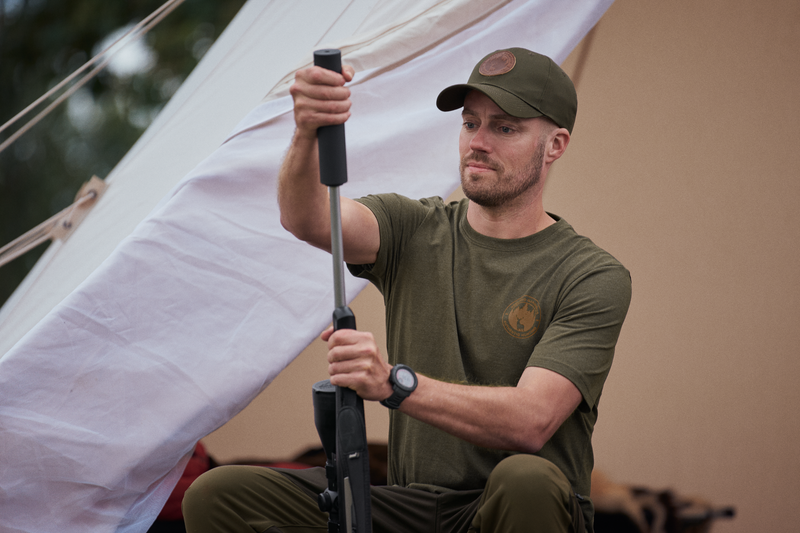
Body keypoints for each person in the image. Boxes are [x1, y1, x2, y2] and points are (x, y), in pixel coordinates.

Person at [183, 47, 632, 533]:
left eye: (505, 128)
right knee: (218, 494)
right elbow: (306, 217)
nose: (478, 142)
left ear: (555, 145)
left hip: (516, 509)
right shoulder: (414, 226)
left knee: (526, 478)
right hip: (412, 507)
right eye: (469, 123)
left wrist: (394, 383)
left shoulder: (592, 274)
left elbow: (530, 421)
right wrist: (308, 130)